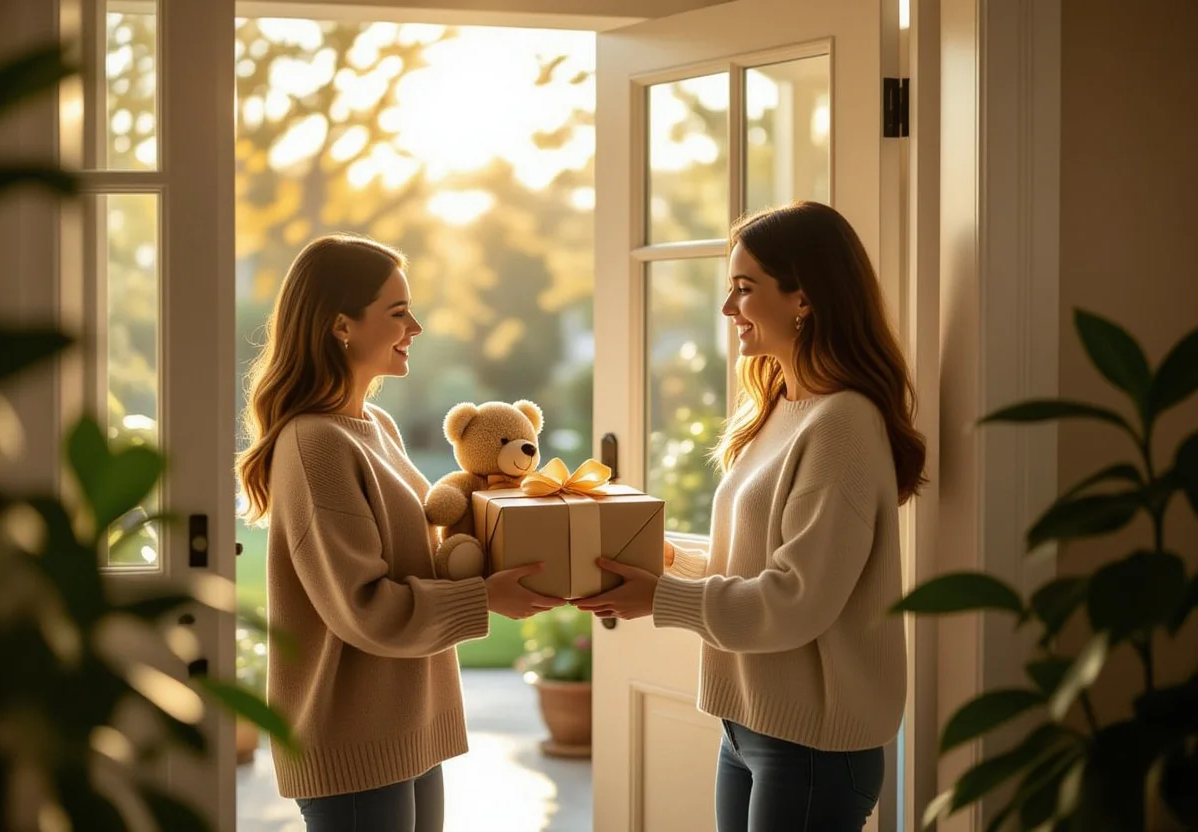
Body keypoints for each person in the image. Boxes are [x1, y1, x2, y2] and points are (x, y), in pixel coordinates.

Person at [575, 201, 926, 831]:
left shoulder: (842, 423)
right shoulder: (779, 407)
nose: (727, 308)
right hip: (749, 727)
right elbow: (757, 563)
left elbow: (798, 600)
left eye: (744, 288)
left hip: (812, 747)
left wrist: (662, 599)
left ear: (805, 298)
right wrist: (666, 566)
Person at [236, 233, 562, 832]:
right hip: (354, 741)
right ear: (341, 326)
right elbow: (366, 608)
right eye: (397, 312)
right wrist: (487, 599)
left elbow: (418, 559)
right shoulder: (316, 444)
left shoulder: (373, 425)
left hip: (407, 725)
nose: (415, 325)